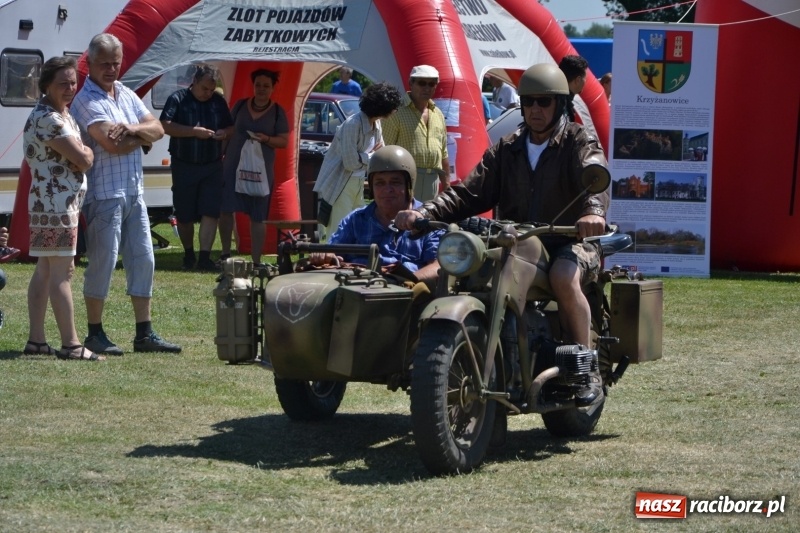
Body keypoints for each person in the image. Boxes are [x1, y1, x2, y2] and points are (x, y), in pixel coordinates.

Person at [394, 63, 609, 405]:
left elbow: (594, 177)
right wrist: (424, 212)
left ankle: (585, 372)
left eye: (544, 102)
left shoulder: (577, 140)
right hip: (516, 241)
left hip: (570, 240)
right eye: (529, 102)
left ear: (559, 104)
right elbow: (467, 192)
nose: (536, 109)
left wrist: (592, 212)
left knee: (564, 276)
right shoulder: (507, 149)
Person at [71, 33, 181, 355]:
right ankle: (94, 333)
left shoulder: (126, 94)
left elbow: (158, 128)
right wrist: (141, 138)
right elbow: (110, 143)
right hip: (104, 194)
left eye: (115, 63)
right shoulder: (85, 99)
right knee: (102, 263)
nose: (110, 69)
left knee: (144, 259)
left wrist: (133, 131)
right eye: (104, 63)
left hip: (134, 193)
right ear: (89, 63)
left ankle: (144, 333)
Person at [22, 56, 103, 361]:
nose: (70, 88)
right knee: (62, 273)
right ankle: (70, 344)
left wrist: (82, 152)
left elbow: (82, 154)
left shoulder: (60, 114)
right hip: (56, 206)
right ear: (46, 86)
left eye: (73, 81)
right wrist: (83, 153)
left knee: (45, 270)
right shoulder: (49, 119)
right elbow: (83, 158)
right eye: (63, 83)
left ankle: (37, 341)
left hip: (52, 203)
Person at [311, 145, 440, 285]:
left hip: (405, 295)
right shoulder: (356, 220)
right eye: (380, 183)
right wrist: (323, 255)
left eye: (395, 182)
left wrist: (407, 281)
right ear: (371, 187)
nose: (387, 189)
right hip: (356, 292)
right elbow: (332, 252)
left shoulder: (426, 221)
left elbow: (438, 265)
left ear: (408, 185)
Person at [159, 64, 233, 271]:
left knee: (211, 212)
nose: (208, 93)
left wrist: (224, 134)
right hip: (184, 164)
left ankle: (204, 257)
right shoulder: (178, 98)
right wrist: (194, 131)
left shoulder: (218, 101)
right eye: (204, 89)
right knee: (184, 214)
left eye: (211, 89)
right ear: (195, 82)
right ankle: (188, 254)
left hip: (212, 164)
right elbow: (165, 125)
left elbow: (231, 126)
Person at [313, 82, 403, 241]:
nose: (395, 111)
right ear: (382, 106)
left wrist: (364, 156)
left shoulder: (377, 123)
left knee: (357, 225)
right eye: (393, 107)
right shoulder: (352, 124)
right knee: (338, 229)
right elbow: (350, 163)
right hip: (340, 184)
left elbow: (380, 152)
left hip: (359, 181)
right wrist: (370, 156)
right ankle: (331, 261)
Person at [218, 69, 290, 266]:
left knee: (258, 216)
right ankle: (225, 253)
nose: (261, 89)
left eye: (266, 86)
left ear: (273, 87)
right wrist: (220, 153)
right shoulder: (240, 105)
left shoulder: (277, 112)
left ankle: (256, 261)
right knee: (226, 209)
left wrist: (266, 139)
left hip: (261, 171)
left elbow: (283, 141)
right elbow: (230, 130)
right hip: (232, 165)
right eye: (258, 85)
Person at [382, 65, 450, 202]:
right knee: (402, 221)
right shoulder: (396, 112)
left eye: (432, 84)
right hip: (404, 180)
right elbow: (385, 152)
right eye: (422, 83)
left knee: (428, 222)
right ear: (411, 83)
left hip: (432, 181)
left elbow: (443, 153)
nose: (427, 88)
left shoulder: (438, 114)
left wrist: (447, 185)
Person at [558, 55, 589, 122]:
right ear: (578, 80)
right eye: (585, 78)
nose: (586, 81)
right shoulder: (563, 105)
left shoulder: (554, 98)